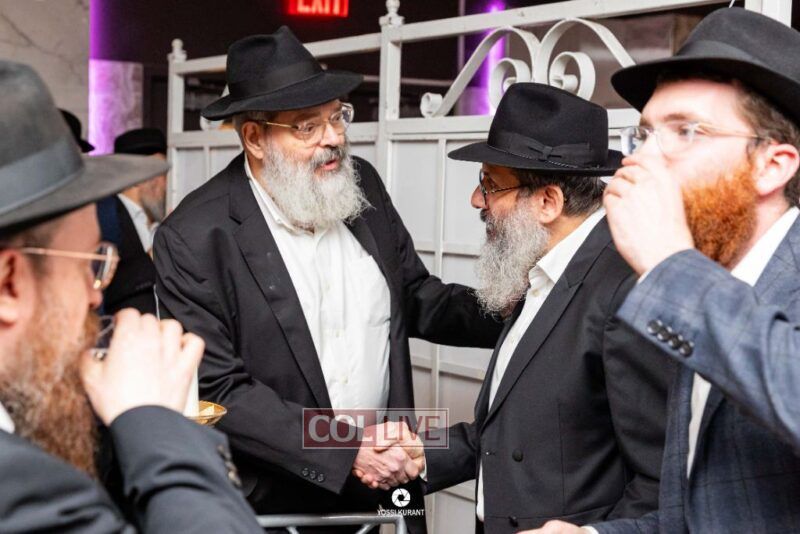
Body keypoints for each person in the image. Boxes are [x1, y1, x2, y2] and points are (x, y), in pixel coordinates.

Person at [152, 26, 501, 528]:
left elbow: (414, 297)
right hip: (274, 504)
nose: (334, 138)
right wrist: (345, 449)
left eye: (337, 116)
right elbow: (217, 392)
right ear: (255, 138)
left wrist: (520, 309)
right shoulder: (195, 237)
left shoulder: (362, 185)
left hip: (387, 481)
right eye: (306, 126)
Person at [521, 7, 800, 534]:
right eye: (645, 134)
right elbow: (702, 514)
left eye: (687, 131)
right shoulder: (710, 286)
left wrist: (671, 266)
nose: (640, 162)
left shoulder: (687, 287)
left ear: (771, 165)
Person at [384, 83, 670, 533]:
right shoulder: (539, 270)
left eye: (491, 185)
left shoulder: (624, 291)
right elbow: (519, 433)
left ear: (547, 202)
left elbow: (661, 480)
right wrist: (425, 455)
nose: (476, 200)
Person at [0, 60, 262, 533]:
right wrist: (154, 421)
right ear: (9, 283)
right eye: (89, 265)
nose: (95, 296)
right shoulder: (22, 488)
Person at [97, 128, 167, 315]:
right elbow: (105, 284)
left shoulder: (157, 223)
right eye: (161, 173)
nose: (166, 184)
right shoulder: (106, 215)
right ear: (138, 177)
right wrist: (157, 253)